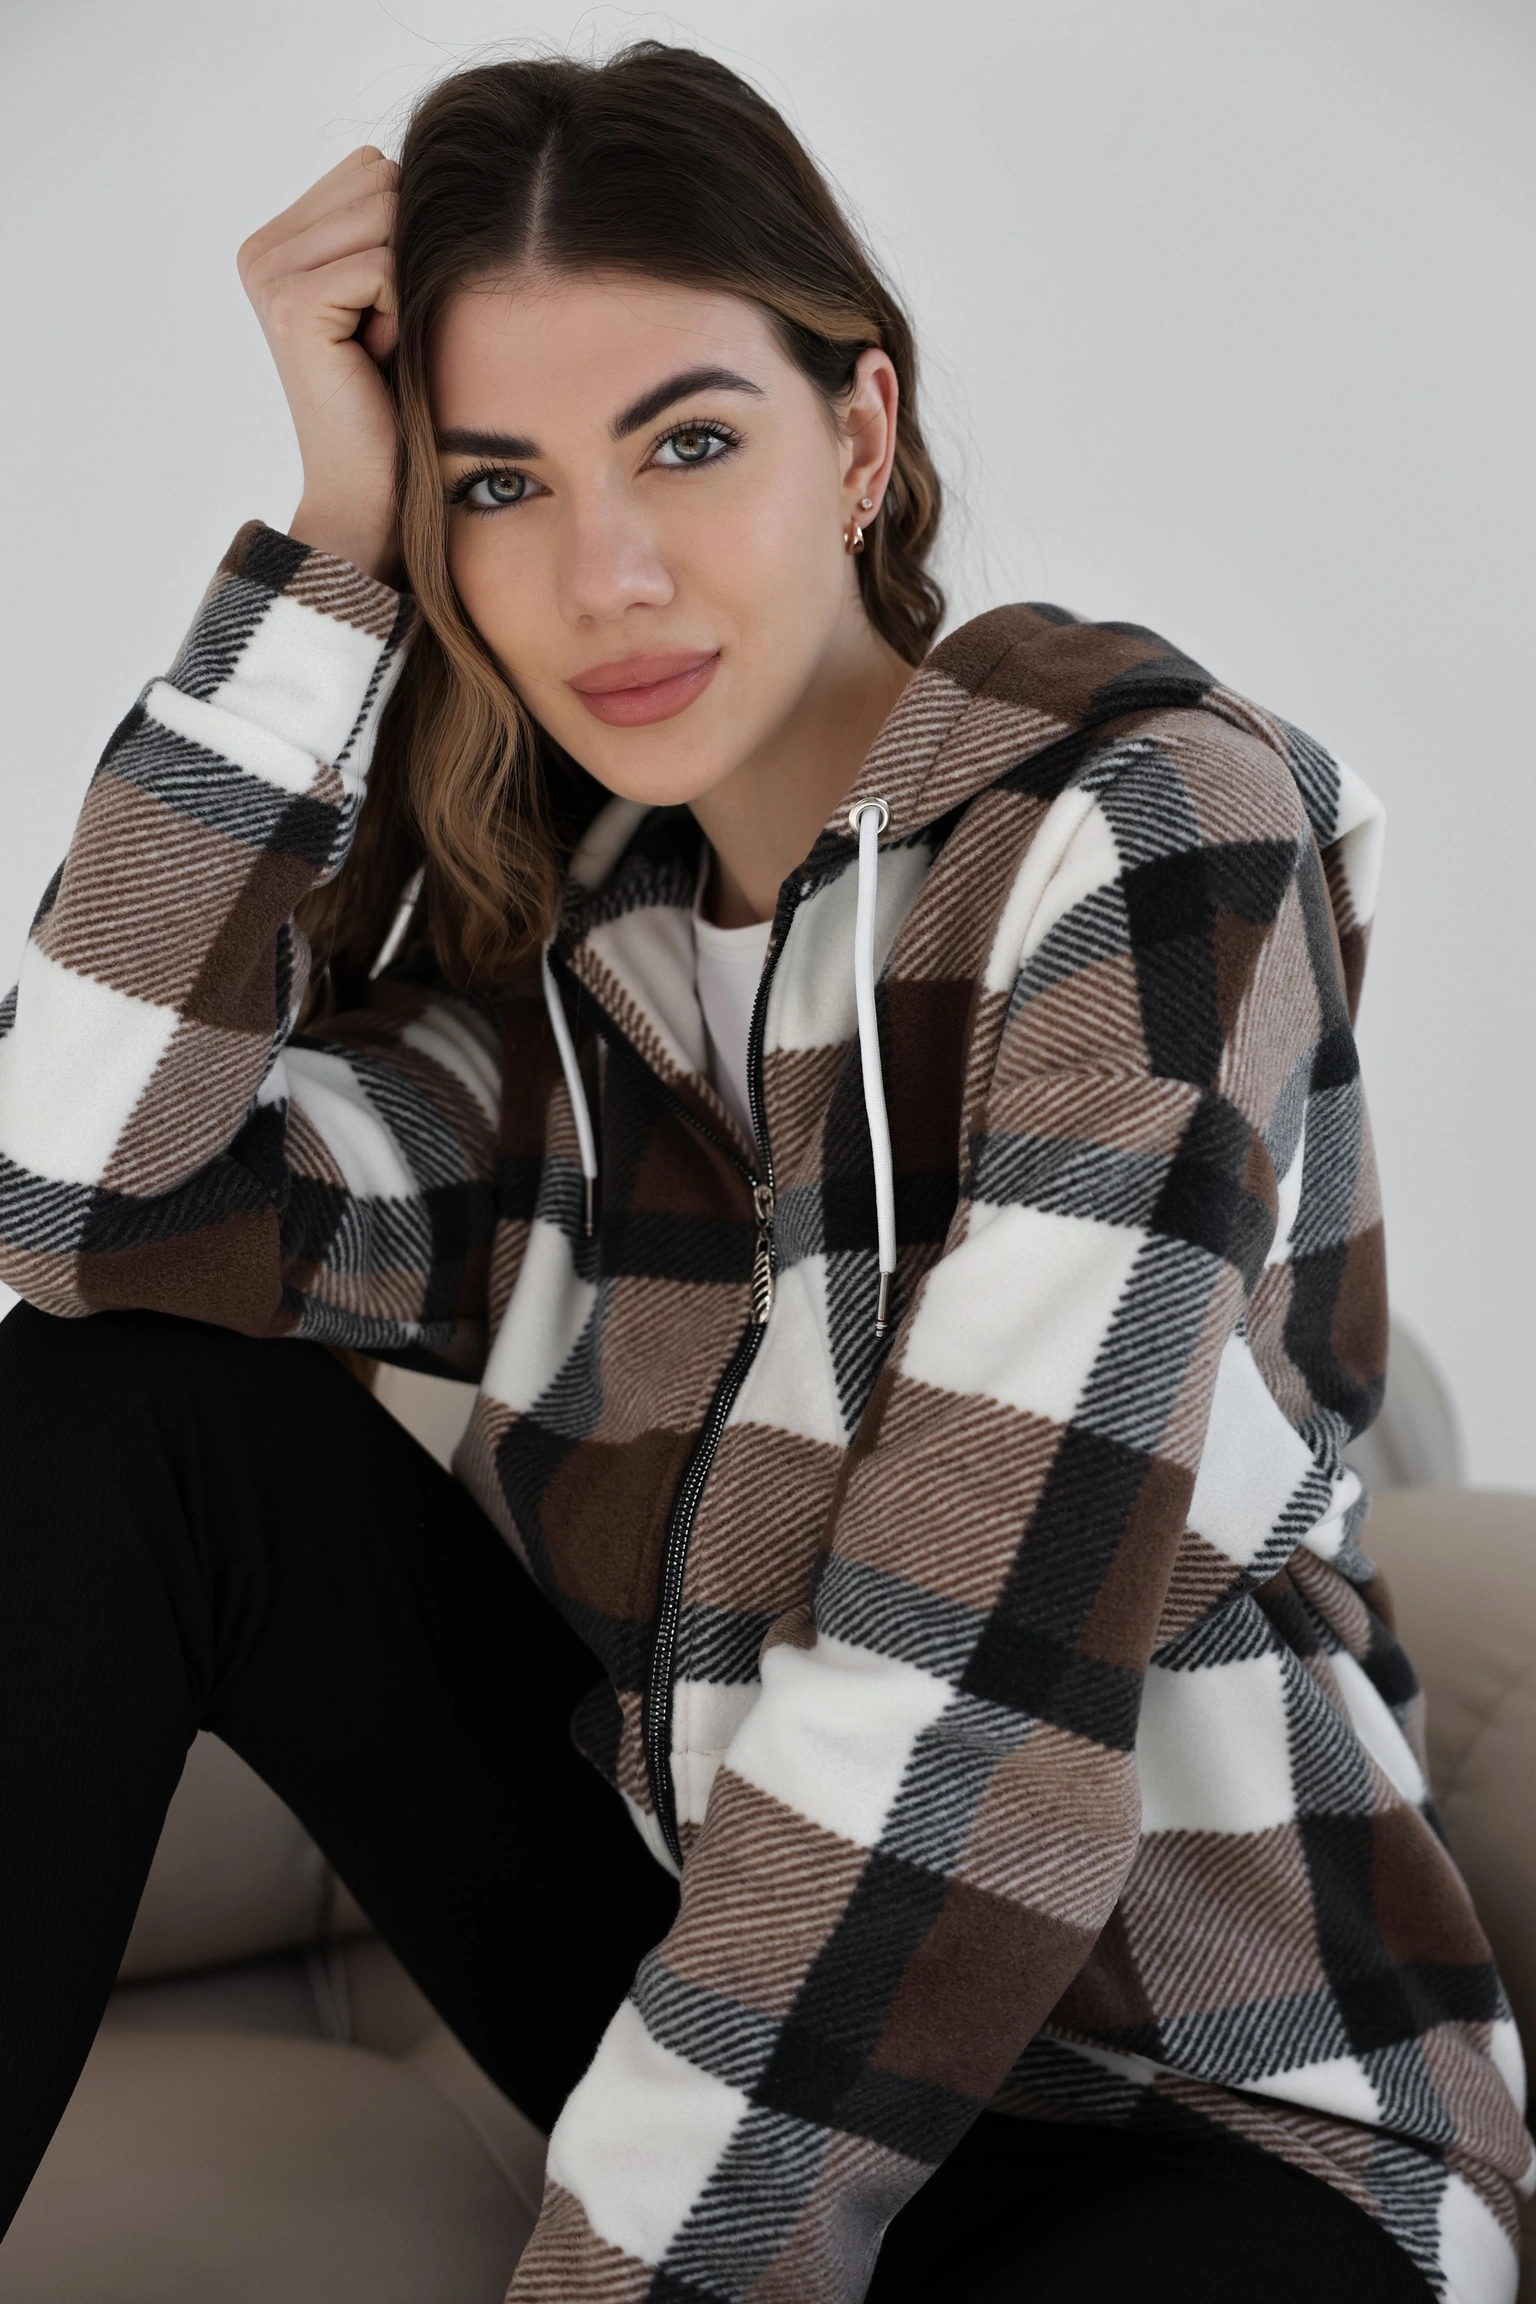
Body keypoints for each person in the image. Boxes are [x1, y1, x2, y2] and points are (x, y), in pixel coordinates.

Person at [0, 41, 1525, 2304]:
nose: (606, 574)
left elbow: (968, 1695)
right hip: (706, 1975)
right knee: (121, 1408)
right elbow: (82, 1201)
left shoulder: (1136, 834)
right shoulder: (557, 994)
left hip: (1200, 2101)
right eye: (500, 485)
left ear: (862, 436)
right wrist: (325, 550)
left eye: (689, 442)